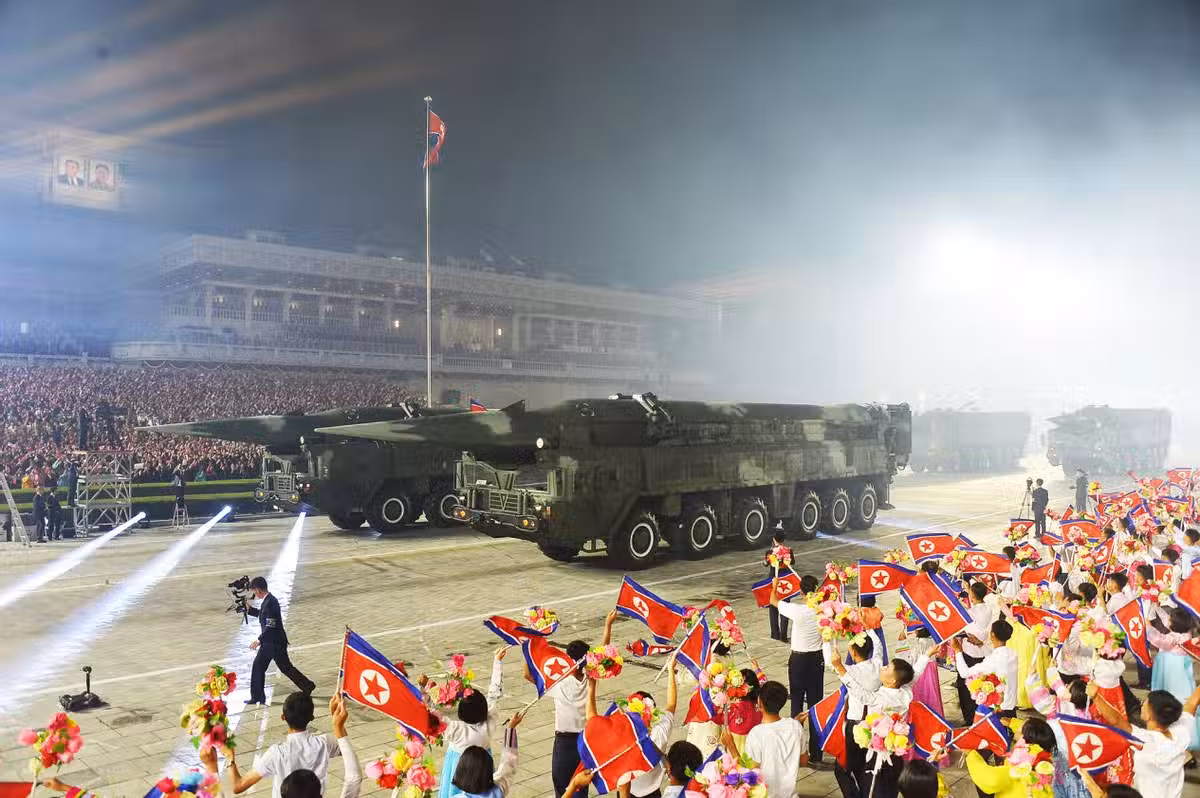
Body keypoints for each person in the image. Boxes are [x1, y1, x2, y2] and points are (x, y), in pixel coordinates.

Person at [227, 693, 361, 798]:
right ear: (312, 717)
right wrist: (337, 723)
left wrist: (230, 757)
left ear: (283, 717)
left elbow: (238, 786)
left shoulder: (277, 753)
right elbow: (347, 751)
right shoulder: (324, 743)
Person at [829, 652, 918, 798]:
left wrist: (840, 667)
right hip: (895, 752)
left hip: (878, 753)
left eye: (887, 668)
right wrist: (926, 656)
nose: (882, 668)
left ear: (892, 680)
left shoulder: (881, 699)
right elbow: (916, 674)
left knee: (870, 784)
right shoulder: (905, 693)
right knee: (889, 786)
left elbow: (860, 693)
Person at [1088, 683, 1200, 798]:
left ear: (1150, 716)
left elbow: (1117, 721)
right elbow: (1192, 703)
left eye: (1145, 704)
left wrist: (1096, 697)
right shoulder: (1181, 732)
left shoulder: (1147, 742)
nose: (1141, 704)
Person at [425, 647, 507, 798]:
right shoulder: (490, 722)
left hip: (458, 765)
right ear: (484, 708)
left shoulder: (455, 730)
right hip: (482, 768)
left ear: (461, 712)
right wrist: (497, 661)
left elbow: (432, 715)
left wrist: (426, 691)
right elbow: (495, 693)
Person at [721, 680, 807, 798]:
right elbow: (803, 761)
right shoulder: (795, 726)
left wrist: (731, 746)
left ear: (759, 703)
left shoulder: (757, 733)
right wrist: (793, 725)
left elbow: (749, 774)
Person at [770, 573, 823, 761]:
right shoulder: (824, 610)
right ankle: (816, 752)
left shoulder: (797, 610)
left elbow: (773, 600)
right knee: (816, 705)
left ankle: (797, 750)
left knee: (797, 704)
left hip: (799, 661)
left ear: (801, 592)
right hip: (817, 660)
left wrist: (775, 585)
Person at [245, 576, 316, 704]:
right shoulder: (269, 601)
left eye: (254, 591)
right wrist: (249, 610)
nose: (254, 594)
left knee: (258, 666)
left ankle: (257, 697)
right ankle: (307, 685)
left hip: (272, 643)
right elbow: (263, 615)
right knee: (285, 667)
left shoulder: (270, 602)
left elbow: (270, 626)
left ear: (258, 590)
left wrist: (259, 640)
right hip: (274, 642)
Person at [827, 636, 880, 798]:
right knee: (863, 767)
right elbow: (878, 644)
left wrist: (826, 641)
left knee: (842, 767)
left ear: (853, 652)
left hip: (855, 725)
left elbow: (830, 662)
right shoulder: (878, 664)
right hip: (874, 724)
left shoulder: (850, 671)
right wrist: (867, 628)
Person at [952, 718, 1058, 798]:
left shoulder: (1020, 762)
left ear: (1024, 737)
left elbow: (990, 779)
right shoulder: (1042, 757)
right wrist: (1012, 723)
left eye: (1019, 730)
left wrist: (971, 755)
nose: (1016, 732)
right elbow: (1031, 730)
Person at [951, 619, 1018, 719]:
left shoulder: (992, 661)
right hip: (1011, 705)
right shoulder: (1013, 654)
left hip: (997, 710)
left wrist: (957, 650)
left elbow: (964, 673)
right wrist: (980, 644)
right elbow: (994, 655)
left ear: (992, 635)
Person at [447, 713, 523, 798]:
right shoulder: (498, 790)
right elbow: (509, 763)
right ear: (489, 771)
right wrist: (511, 728)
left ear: (460, 773)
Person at [955, 582, 993, 723]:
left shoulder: (969, 613)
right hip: (982, 653)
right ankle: (981, 715)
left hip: (969, 653)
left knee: (966, 687)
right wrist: (968, 589)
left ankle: (970, 718)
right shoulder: (988, 609)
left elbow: (966, 626)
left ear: (971, 596)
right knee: (981, 685)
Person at [766, 529, 791, 642]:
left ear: (773, 539)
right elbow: (792, 562)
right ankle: (783, 636)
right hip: (785, 582)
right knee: (785, 606)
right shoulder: (788, 551)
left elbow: (765, 563)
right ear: (784, 539)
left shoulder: (770, 552)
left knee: (773, 607)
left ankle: (775, 634)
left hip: (773, 581)